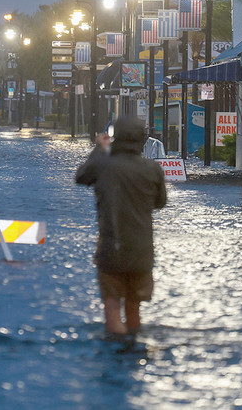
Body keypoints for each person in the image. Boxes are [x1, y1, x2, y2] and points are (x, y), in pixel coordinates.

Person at [75, 117, 167, 336]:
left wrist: (99, 149)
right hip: (142, 250)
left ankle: (115, 350)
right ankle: (133, 350)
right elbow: (160, 202)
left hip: (111, 247)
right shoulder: (152, 169)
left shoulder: (104, 165)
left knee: (112, 306)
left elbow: (81, 177)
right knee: (134, 309)